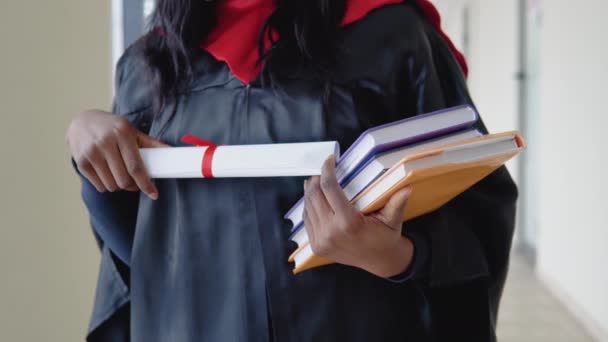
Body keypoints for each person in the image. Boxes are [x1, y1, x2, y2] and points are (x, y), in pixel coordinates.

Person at [67, 0, 518, 341]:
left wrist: (395, 255)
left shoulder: (390, 38)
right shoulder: (153, 62)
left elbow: (474, 217)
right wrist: (91, 148)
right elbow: (135, 250)